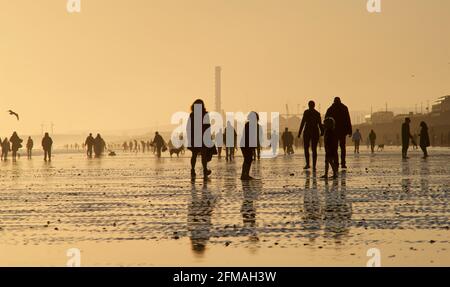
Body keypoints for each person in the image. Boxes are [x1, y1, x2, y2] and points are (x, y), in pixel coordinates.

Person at [187, 99, 214, 179]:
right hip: (203, 137)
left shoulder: (192, 114)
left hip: (195, 137)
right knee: (204, 155)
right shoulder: (205, 114)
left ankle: (192, 170)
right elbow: (208, 126)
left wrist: (190, 137)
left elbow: (189, 127)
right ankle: (205, 170)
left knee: (194, 155)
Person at [325, 97, 352, 169]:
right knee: (342, 147)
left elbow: (326, 120)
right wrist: (349, 130)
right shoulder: (344, 108)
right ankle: (343, 163)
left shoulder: (330, 109)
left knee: (335, 148)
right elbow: (348, 119)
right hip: (342, 131)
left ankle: (336, 163)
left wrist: (325, 131)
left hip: (334, 132)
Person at [298, 100, 323, 171]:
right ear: (314, 105)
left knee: (306, 148)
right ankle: (314, 165)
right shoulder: (317, 113)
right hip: (315, 132)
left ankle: (308, 164)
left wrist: (299, 133)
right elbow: (320, 124)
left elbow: (303, 122)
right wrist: (322, 131)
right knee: (314, 149)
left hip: (307, 132)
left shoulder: (306, 112)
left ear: (309, 105)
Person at [240, 112, 263, 180]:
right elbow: (249, 136)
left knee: (248, 159)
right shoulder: (249, 125)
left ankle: (245, 174)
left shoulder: (250, 124)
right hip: (246, 144)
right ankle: (244, 175)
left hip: (246, 144)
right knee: (248, 159)